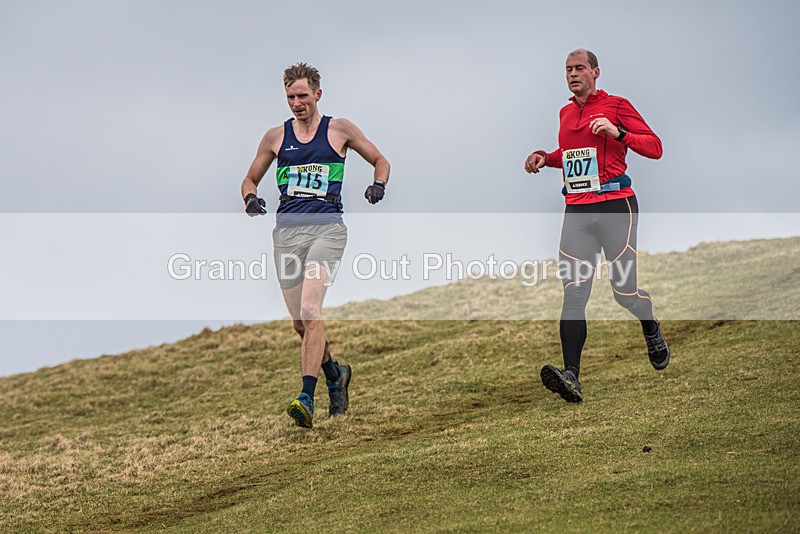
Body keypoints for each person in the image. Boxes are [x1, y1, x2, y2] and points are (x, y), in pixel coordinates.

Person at [241, 63, 390, 427]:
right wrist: (249, 199)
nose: (297, 103)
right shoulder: (275, 138)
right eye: (291, 97)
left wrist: (378, 185)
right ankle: (334, 374)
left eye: (303, 96)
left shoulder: (339, 130)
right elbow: (250, 178)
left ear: (318, 94)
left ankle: (306, 396)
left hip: (327, 230)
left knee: (311, 310)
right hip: (286, 234)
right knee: (301, 325)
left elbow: (380, 160)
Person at [524, 49, 669, 403]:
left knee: (624, 293)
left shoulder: (617, 105)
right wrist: (546, 157)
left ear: (596, 72)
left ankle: (649, 324)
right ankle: (570, 375)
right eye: (568, 70)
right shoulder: (565, 111)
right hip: (576, 211)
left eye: (579, 68)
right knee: (574, 293)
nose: (573, 74)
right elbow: (573, 154)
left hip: (616, 207)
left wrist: (618, 132)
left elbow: (655, 147)